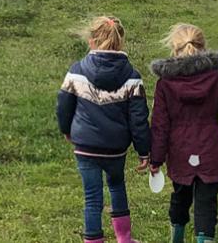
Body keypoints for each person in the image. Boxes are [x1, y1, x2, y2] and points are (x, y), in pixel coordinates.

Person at [149, 23, 218, 243]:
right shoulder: (215, 77)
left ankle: (177, 234)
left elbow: (160, 124)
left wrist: (155, 158)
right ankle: (205, 238)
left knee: (181, 194)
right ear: (203, 47)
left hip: (180, 149)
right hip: (210, 148)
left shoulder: (165, 83)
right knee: (206, 201)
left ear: (174, 49)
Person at [56, 16, 150, 243]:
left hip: (85, 145)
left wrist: (66, 129)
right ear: (120, 42)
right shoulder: (132, 77)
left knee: (92, 197)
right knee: (117, 186)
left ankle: (93, 240)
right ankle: (124, 238)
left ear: (91, 42)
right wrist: (144, 150)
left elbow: (63, 106)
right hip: (116, 148)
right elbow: (139, 119)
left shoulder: (76, 71)